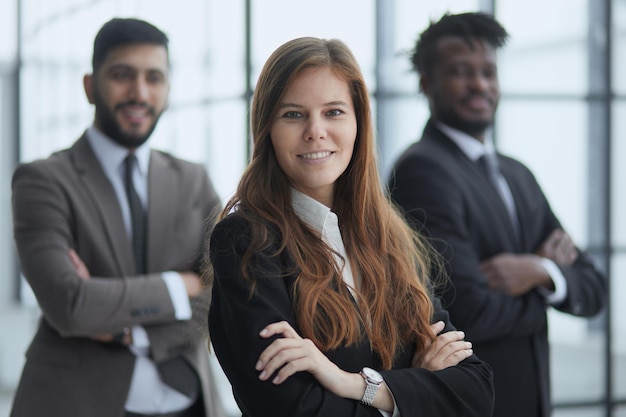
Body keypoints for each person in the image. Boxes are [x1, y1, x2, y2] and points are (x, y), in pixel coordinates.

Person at [206, 36, 494, 417]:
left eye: (334, 112)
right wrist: (413, 391)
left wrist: (349, 382)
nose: (315, 131)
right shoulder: (246, 241)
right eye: (293, 114)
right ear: (266, 129)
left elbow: (475, 391)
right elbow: (292, 408)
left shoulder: (387, 236)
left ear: (359, 123)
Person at [387, 12, 607, 417]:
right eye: (461, 72)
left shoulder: (516, 173)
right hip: (475, 404)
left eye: (489, 72)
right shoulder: (420, 170)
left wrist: (542, 272)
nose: (480, 85)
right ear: (426, 83)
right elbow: (467, 312)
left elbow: (594, 286)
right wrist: (549, 286)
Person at [10, 18, 225, 417]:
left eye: (154, 77)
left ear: (168, 89)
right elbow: (69, 304)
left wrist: (122, 328)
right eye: (122, 75)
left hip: (191, 403)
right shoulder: (42, 181)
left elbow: (226, 295)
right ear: (91, 86)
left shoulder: (193, 180)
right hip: (77, 403)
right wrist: (179, 287)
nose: (139, 93)